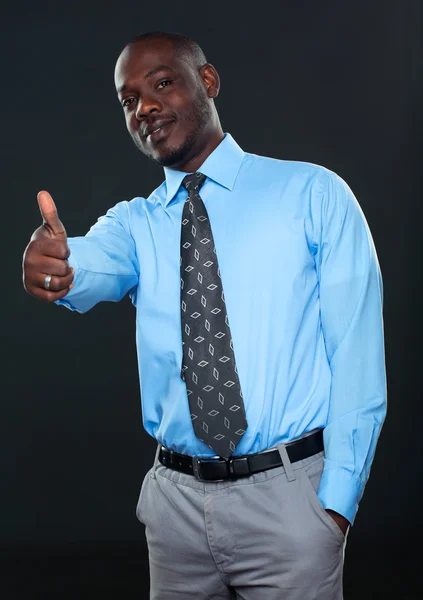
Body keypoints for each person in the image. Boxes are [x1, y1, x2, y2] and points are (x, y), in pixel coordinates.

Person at [22, 31, 387, 599]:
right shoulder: (135, 224)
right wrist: (57, 264)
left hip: (291, 505)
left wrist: (335, 505)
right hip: (177, 512)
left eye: (161, 84)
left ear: (207, 82)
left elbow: (357, 358)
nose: (144, 107)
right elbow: (89, 262)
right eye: (128, 99)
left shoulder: (313, 194)